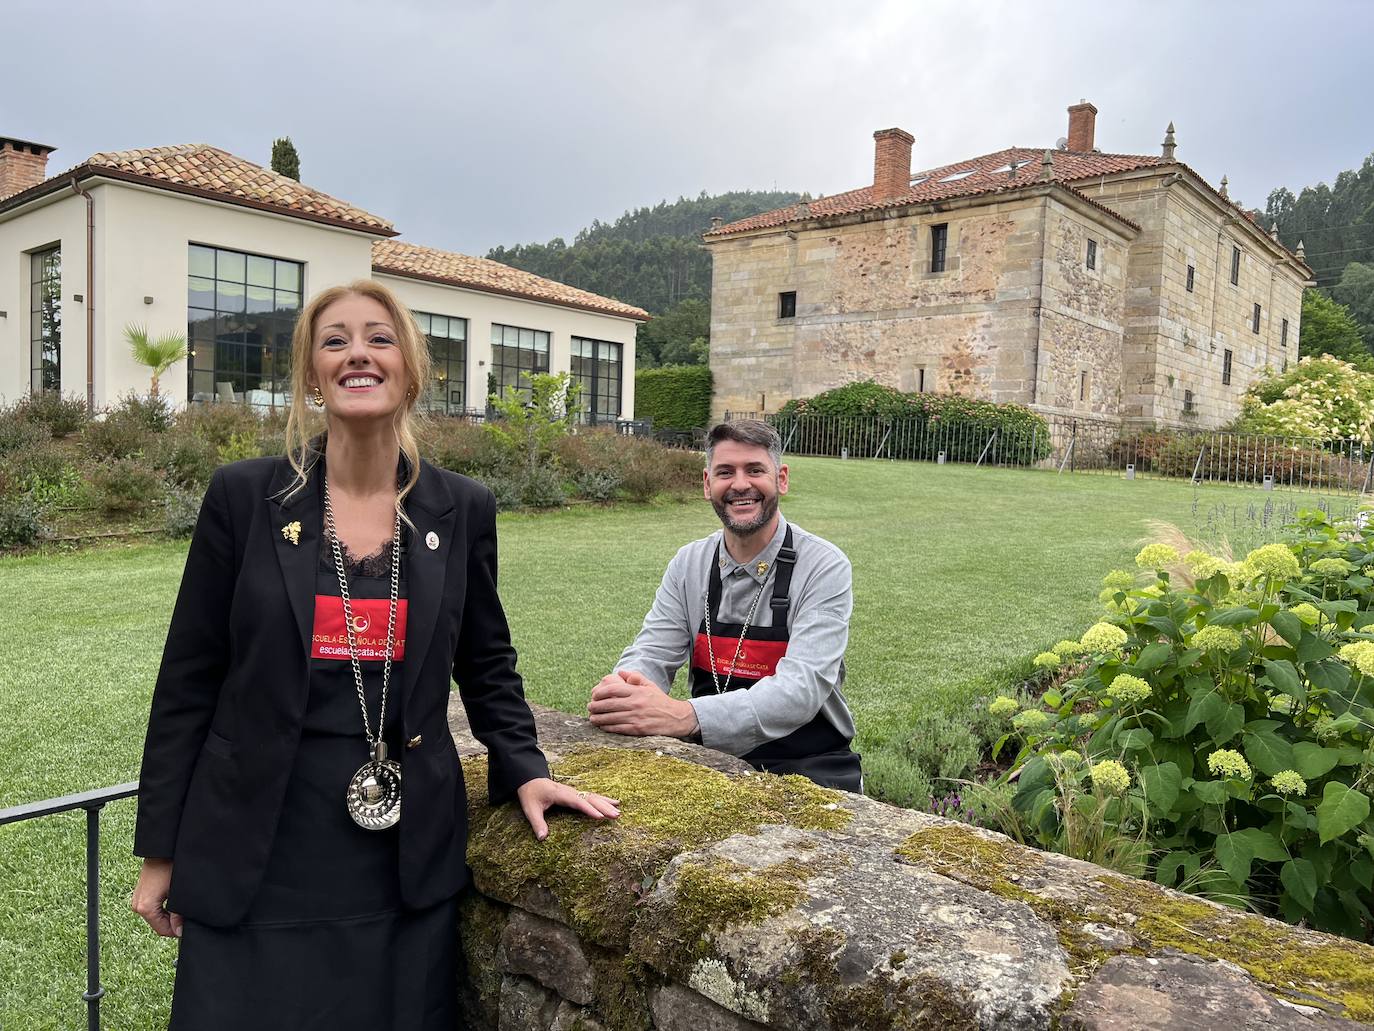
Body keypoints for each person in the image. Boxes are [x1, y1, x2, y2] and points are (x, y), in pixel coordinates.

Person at [130, 280, 618, 1030]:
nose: (357, 351)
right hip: (257, 847)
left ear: (413, 370)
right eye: (335, 340)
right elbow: (189, 679)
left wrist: (526, 767)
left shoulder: (460, 509)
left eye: (378, 338)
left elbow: (487, 660)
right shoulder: (243, 498)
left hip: (393, 861)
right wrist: (159, 851)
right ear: (311, 375)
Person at [588, 419, 861, 791]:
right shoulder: (689, 563)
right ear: (707, 484)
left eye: (754, 470)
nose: (740, 484)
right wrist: (626, 689)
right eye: (725, 472)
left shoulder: (824, 566)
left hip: (811, 765)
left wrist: (686, 715)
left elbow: (802, 689)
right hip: (710, 759)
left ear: (781, 479)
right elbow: (652, 650)